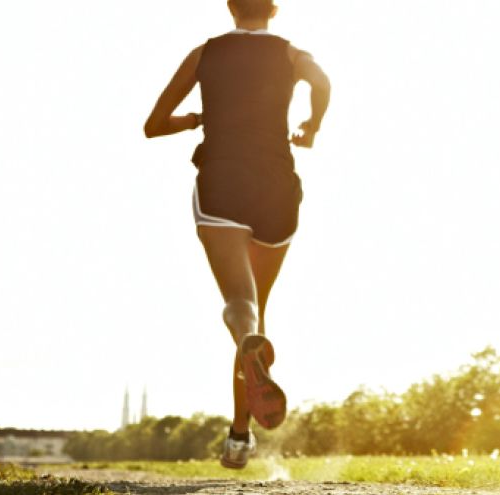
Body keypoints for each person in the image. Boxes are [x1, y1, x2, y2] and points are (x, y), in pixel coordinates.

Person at [143, 0, 330, 469]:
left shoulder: (204, 54)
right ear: (273, 9)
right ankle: (240, 435)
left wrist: (192, 120)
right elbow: (322, 82)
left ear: (231, 8)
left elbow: (152, 126)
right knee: (258, 310)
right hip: (277, 191)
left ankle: (247, 349)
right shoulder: (290, 54)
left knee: (240, 307)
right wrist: (311, 127)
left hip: (223, 184)